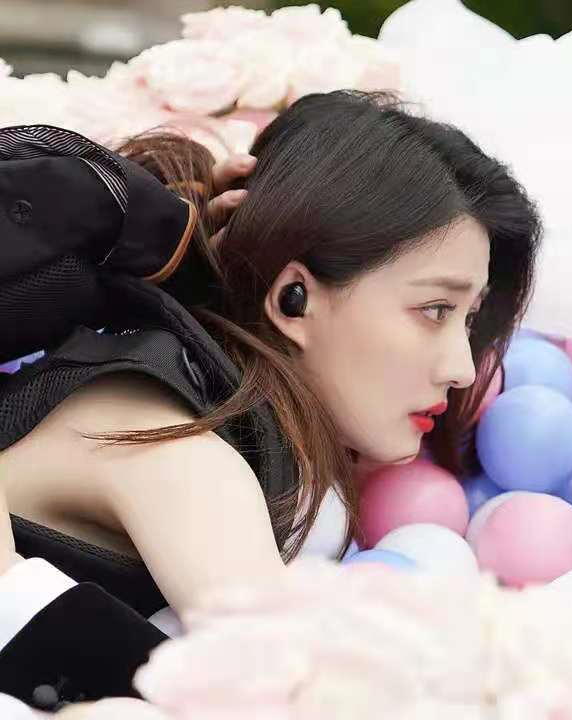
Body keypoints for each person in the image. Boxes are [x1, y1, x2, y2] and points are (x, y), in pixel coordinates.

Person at [0, 89, 540, 706]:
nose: (463, 369)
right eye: (435, 309)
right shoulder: (172, 452)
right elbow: (290, 702)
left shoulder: (230, 427)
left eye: (468, 319)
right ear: (294, 299)